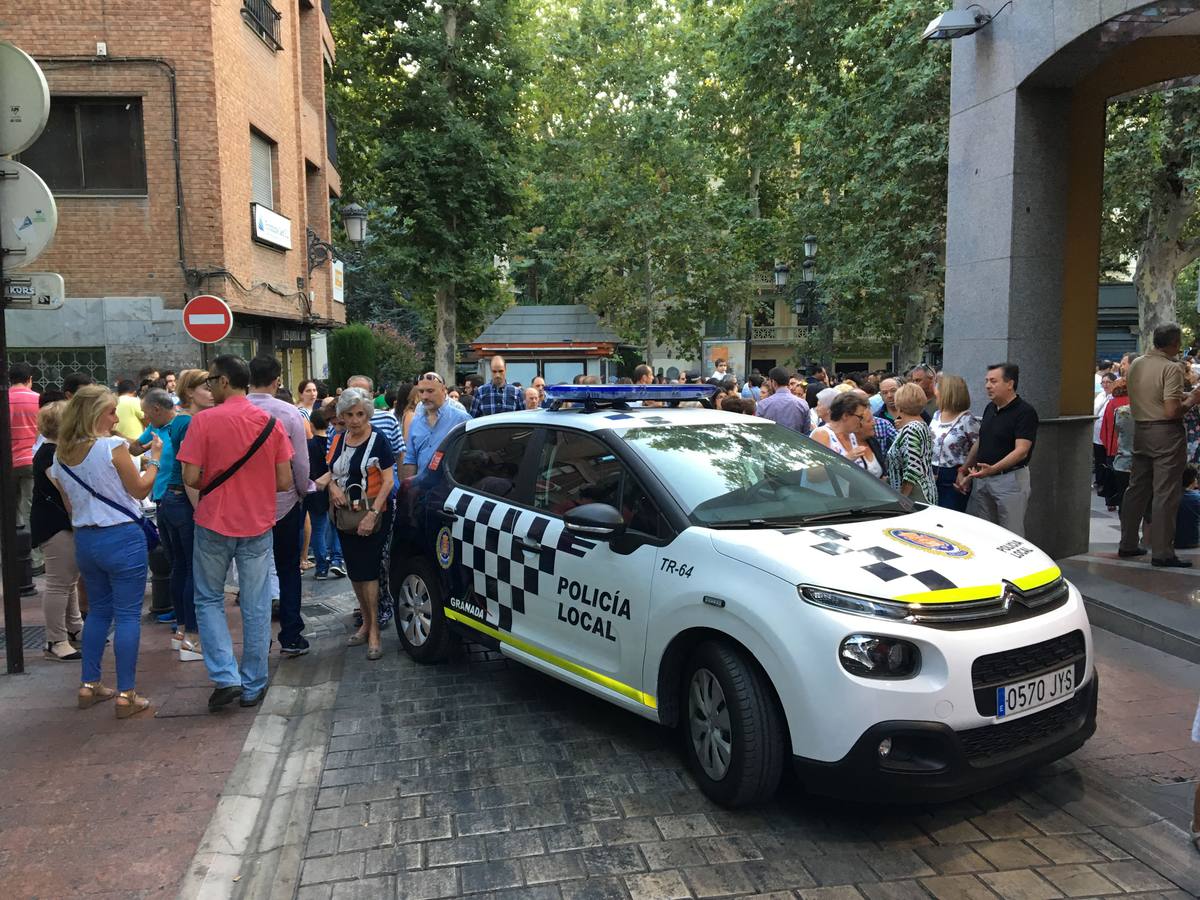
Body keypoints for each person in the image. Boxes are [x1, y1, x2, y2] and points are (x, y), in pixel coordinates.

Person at [178, 355, 294, 711]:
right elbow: (285, 481)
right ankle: (253, 683)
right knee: (256, 604)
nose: (209, 386)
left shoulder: (203, 422)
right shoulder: (270, 424)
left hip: (213, 520)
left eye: (212, 380)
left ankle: (225, 676)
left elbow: (191, 478)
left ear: (225, 381)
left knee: (209, 598)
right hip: (257, 522)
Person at [49, 385, 161, 717]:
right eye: (111, 411)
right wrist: (154, 460)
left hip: (86, 538)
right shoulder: (111, 447)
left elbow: (70, 505)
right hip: (122, 536)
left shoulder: (61, 455)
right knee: (127, 615)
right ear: (96, 414)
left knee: (98, 612)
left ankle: (90, 684)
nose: (117, 417)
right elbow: (140, 489)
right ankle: (126, 693)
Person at [1118, 324, 1200, 567]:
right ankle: (1163, 551)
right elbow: (1171, 410)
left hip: (1141, 430)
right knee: (1165, 492)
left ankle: (1128, 543)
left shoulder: (1137, 364)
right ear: (1174, 343)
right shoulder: (1170, 368)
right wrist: (1193, 399)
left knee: (1137, 489)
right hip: (1165, 434)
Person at [323, 388, 396, 660]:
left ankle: (375, 629)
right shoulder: (339, 439)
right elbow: (329, 471)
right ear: (342, 415)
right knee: (354, 572)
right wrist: (332, 487)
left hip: (372, 513)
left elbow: (388, 481)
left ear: (368, 414)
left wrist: (372, 514)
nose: (355, 420)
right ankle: (366, 622)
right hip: (345, 515)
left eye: (360, 414)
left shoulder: (379, 441)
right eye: (350, 415)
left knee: (369, 572)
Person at [247, 356, 312, 657]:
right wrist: (303, 491)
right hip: (284, 503)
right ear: (277, 380)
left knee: (252, 574)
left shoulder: (232, 412)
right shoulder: (288, 413)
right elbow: (300, 462)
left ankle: (257, 639)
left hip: (243, 506)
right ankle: (291, 634)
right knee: (288, 569)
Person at [133, 388, 201, 660]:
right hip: (178, 500)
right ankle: (191, 636)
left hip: (164, 502)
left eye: (147, 413)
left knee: (179, 567)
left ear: (158, 410)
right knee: (190, 567)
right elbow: (188, 470)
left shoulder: (171, 426)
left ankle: (182, 632)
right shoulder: (177, 425)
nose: (145, 418)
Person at [956, 363, 1038, 535]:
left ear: (1010, 384)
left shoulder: (1025, 412)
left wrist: (993, 469)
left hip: (1010, 480)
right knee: (985, 533)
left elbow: (1021, 450)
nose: (987, 386)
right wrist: (965, 469)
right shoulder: (990, 408)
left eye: (993, 381)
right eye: (986, 381)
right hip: (983, 479)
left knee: (1011, 534)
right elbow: (981, 441)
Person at [31, 401, 83, 661]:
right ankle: (56, 639)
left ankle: (73, 628)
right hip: (56, 524)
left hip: (57, 522)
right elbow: (65, 491)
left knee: (68, 580)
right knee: (59, 584)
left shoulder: (52, 451)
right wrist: (77, 519)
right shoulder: (50, 454)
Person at [403, 371, 473, 479]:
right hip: (422, 490)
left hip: (451, 489)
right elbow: (410, 460)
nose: (425, 396)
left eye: (430, 391)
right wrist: (408, 490)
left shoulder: (461, 419)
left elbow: (471, 456)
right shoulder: (416, 422)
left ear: (443, 390)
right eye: (421, 391)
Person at [930, 374, 979, 512]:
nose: (935, 392)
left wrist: (966, 472)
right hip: (931, 475)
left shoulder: (967, 419)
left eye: (938, 388)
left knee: (949, 519)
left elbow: (979, 447)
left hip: (953, 476)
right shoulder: (936, 415)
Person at [8, 363, 40, 566]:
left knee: (10, 511)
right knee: (30, 510)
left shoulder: (5, 399)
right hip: (31, 460)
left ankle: (12, 558)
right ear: (29, 379)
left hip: (7, 464)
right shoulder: (37, 400)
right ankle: (34, 560)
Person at [886, 383, 937, 503]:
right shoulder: (922, 425)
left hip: (915, 494)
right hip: (926, 489)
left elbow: (912, 469)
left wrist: (902, 498)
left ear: (899, 405)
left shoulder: (911, 429)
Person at [814, 393, 881, 477]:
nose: (861, 422)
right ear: (845, 416)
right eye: (860, 417)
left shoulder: (852, 436)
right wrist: (846, 460)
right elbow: (812, 475)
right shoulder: (822, 434)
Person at [306, 408, 334, 579]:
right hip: (333, 489)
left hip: (314, 490)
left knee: (318, 529)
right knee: (335, 527)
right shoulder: (334, 442)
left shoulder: (308, 445)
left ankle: (321, 566)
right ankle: (337, 558)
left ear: (311, 425)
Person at [755, 366, 811, 434]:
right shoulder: (803, 404)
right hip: (796, 443)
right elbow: (806, 433)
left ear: (773, 382)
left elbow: (758, 432)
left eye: (769, 381)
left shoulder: (763, 405)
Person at [1093, 372, 1117, 492]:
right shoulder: (1100, 396)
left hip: (1108, 435)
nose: (1105, 385)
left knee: (1107, 460)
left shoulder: (1115, 397)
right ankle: (1099, 481)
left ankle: (1106, 484)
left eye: (1108, 382)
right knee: (1098, 459)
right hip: (1096, 434)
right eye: (1103, 382)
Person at [1176, 465, 1200, 550]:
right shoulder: (1197, 497)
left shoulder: (1170, 498)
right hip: (1194, 542)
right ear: (1194, 480)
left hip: (1174, 542)